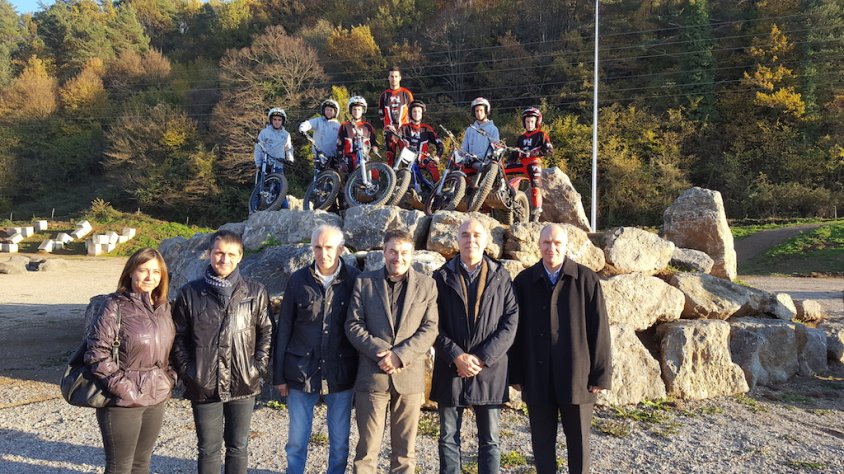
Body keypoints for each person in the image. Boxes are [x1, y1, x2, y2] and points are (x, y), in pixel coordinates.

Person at [509, 224, 612, 474]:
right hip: (536, 375)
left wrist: (600, 374)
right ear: (538, 245)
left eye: (557, 243)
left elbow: (600, 328)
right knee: (542, 443)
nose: (551, 248)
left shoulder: (586, 279)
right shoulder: (524, 281)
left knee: (579, 443)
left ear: (566, 246)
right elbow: (515, 331)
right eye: (546, 242)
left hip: (578, 376)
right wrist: (516, 373)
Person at [172, 230, 273, 474]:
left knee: (238, 447)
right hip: (203, 383)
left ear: (240, 256)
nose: (224, 259)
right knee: (208, 449)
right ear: (209, 254)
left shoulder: (255, 292)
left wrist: (257, 367)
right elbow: (178, 337)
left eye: (231, 254)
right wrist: (189, 372)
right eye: (219, 253)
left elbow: (266, 332)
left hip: (243, 381)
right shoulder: (190, 293)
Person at [345, 229, 439, 474]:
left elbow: (430, 328)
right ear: (384, 252)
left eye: (404, 252)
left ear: (412, 254)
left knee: (405, 453)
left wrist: (400, 356)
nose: (399, 257)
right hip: (373, 375)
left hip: (409, 377)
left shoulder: (427, 285)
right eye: (393, 251)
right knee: (366, 451)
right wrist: (383, 352)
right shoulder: (365, 282)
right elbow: (353, 325)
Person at [430, 218, 519, 474]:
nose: (471, 240)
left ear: (486, 240)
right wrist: (456, 356)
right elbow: (431, 322)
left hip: (489, 370)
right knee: (448, 438)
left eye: (477, 235)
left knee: (490, 440)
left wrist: (481, 358)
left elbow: (510, 322)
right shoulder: (440, 277)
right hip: (451, 368)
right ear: (457, 240)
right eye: (465, 235)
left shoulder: (501, 277)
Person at [273, 225, 361, 474]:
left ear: (341, 249)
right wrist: (279, 376)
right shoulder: (298, 280)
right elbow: (284, 329)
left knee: (340, 443)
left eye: (329, 247)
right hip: (301, 371)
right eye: (318, 247)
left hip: (341, 372)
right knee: (296, 441)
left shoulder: (356, 280)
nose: (323, 254)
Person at [85, 247, 176, 474]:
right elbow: (97, 353)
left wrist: (169, 379)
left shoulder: (164, 307)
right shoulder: (114, 305)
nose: (149, 277)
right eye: (143, 270)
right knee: (120, 467)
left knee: (141, 463)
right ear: (131, 272)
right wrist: (125, 389)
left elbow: (174, 349)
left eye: (156, 272)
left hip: (156, 397)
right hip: (123, 400)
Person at [508, 107, 553, 222]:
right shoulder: (521, 137)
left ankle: (536, 212)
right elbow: (514, 154)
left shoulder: (541, 135)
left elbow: (549, 150)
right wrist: (509, 161)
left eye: (532, 121)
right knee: (503, 170)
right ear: (524, 123)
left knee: (535, 184)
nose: (529, 124)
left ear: (537, 122)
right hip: (521, 164)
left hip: (534, 163)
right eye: (527, 122)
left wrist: (533, 153)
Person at [391, 100, 444, 182]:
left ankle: (438, 188)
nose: (417, 114)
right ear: (410, 113)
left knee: (432, 166)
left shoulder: (427, 128)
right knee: (406, 179)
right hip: (407, 160)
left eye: (419, 112)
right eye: (414, 111)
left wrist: (437, 156)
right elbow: (395, 139)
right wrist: (393, 133)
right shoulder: (404, 127)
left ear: (422, 114)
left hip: (423, 159)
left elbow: (439, 143)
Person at [378, 66, 414, 166]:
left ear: (400, 78)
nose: (394, 79)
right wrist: (387, 127)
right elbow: (381, 115)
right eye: (392, 76)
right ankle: (391, 176)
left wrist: (409, 129)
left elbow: (413, 113)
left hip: (404, 131)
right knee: (390, 159)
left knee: (406, 160)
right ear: (388, 78)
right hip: (390, 131)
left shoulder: (407, 93)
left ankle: (406, 176)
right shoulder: (384, 95)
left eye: (396, 76)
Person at [337, 96, 379, 174]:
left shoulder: (368, 126)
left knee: (375, 174)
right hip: (349, 159)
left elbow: (373, 142)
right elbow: (339, 145)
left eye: (359, 109)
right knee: (349, 178)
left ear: (363, 110)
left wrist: (375, 147)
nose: (356, 112)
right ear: (350, 110)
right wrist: (341, 161)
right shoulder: (344, 126)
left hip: (365, 158)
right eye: (354, 109)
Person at [460, 97, 500, 161]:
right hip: (470, 163)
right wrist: (461, 155)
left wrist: (478, 157)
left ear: (486, 111)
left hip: (486, 163)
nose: (479, 113)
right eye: (477, 111)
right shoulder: (469, 130)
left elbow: (493, 150)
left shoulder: (493, 129)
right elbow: (464, 148)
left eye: (481, 110)